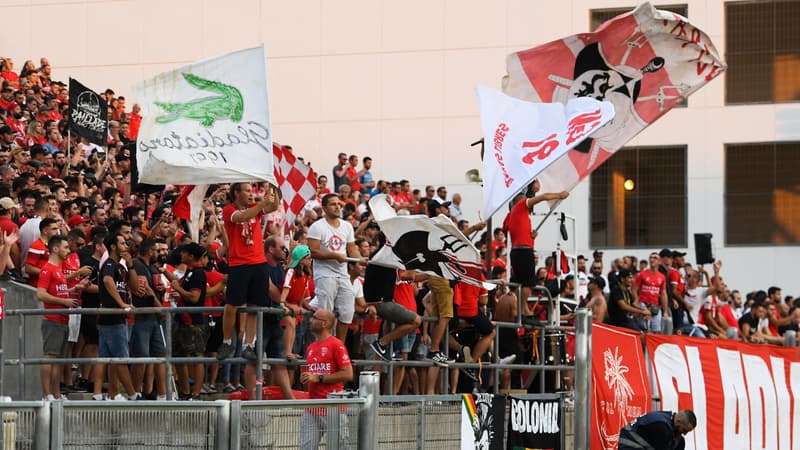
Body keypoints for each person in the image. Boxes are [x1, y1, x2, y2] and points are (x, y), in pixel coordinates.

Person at [217, 183, 279, 360]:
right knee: (232, 305)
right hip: (239, 263)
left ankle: (249, 344)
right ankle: (227, 341)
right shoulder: (229, 210)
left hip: (259, 262)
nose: (251, 194)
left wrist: (274, 187)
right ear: (236, 193)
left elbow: (274, 206)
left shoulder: (255, 208)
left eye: (252, 191)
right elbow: (242, 216)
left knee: (254, 306)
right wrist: (261, 203)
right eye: (247, 191)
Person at [307, 193, 365, 340]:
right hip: (325, 275)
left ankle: (339, 346)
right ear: (324, 208)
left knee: (347, 312)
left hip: (342, 274)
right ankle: (324, 345)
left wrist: (359, 259)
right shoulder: (317, 226)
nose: (338, 206)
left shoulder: (347, 226)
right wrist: (334, 256)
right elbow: (312, 251)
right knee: (325, 314)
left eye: (339, 204)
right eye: (333, 204)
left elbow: (352, 248)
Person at [502, 180, 569, 307]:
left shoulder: (511, 215)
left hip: (516, 251)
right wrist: (560, 195)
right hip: (524, 251)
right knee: (529, 283)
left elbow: (507, 230)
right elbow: (543, 197)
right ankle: (522, 309)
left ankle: (519, 308)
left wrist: (530, 236)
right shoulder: (521, 205)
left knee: (518, 282)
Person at [92, 232, 140, 401]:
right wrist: (121, 304)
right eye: (122, 243)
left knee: (107, 357)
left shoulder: (121, 266)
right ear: (113, 246)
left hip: (114, 319)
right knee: (121, 359)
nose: (125, 246)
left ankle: (104, 394)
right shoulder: (109, 264)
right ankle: (133, 395)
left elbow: (133, 288)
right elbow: (106, 281)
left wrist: (131, 265)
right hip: (112, 317)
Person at [36, 235, 83, 400]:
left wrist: (75, 288)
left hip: (63, 320)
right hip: (52, 320)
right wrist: (64, 300)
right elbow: (41, 294)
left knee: (59, 359)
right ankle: (46, 394)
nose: (68, 251)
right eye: (65, 247)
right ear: (55, 249)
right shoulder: (48, 269)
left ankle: (56, 394)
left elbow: (59, 292)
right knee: (50, 356)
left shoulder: (59, 270)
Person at [299, 309, 353, 450]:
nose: (311, 320)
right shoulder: (310, 347)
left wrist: (319, 377)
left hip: (333, 407)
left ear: (325, 323)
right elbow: (313, 375)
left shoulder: (336, 344)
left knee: (339, 446)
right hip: (312, 407)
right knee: (306, 447)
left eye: (315, 318)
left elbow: (348, 374)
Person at [619, 409, 697, 450]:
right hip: (628, 445)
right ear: (678, 421)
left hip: (640, 446)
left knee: (680, 441)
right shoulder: (661, 428)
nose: (685, 434)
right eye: (684, 430)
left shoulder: (672, 426)